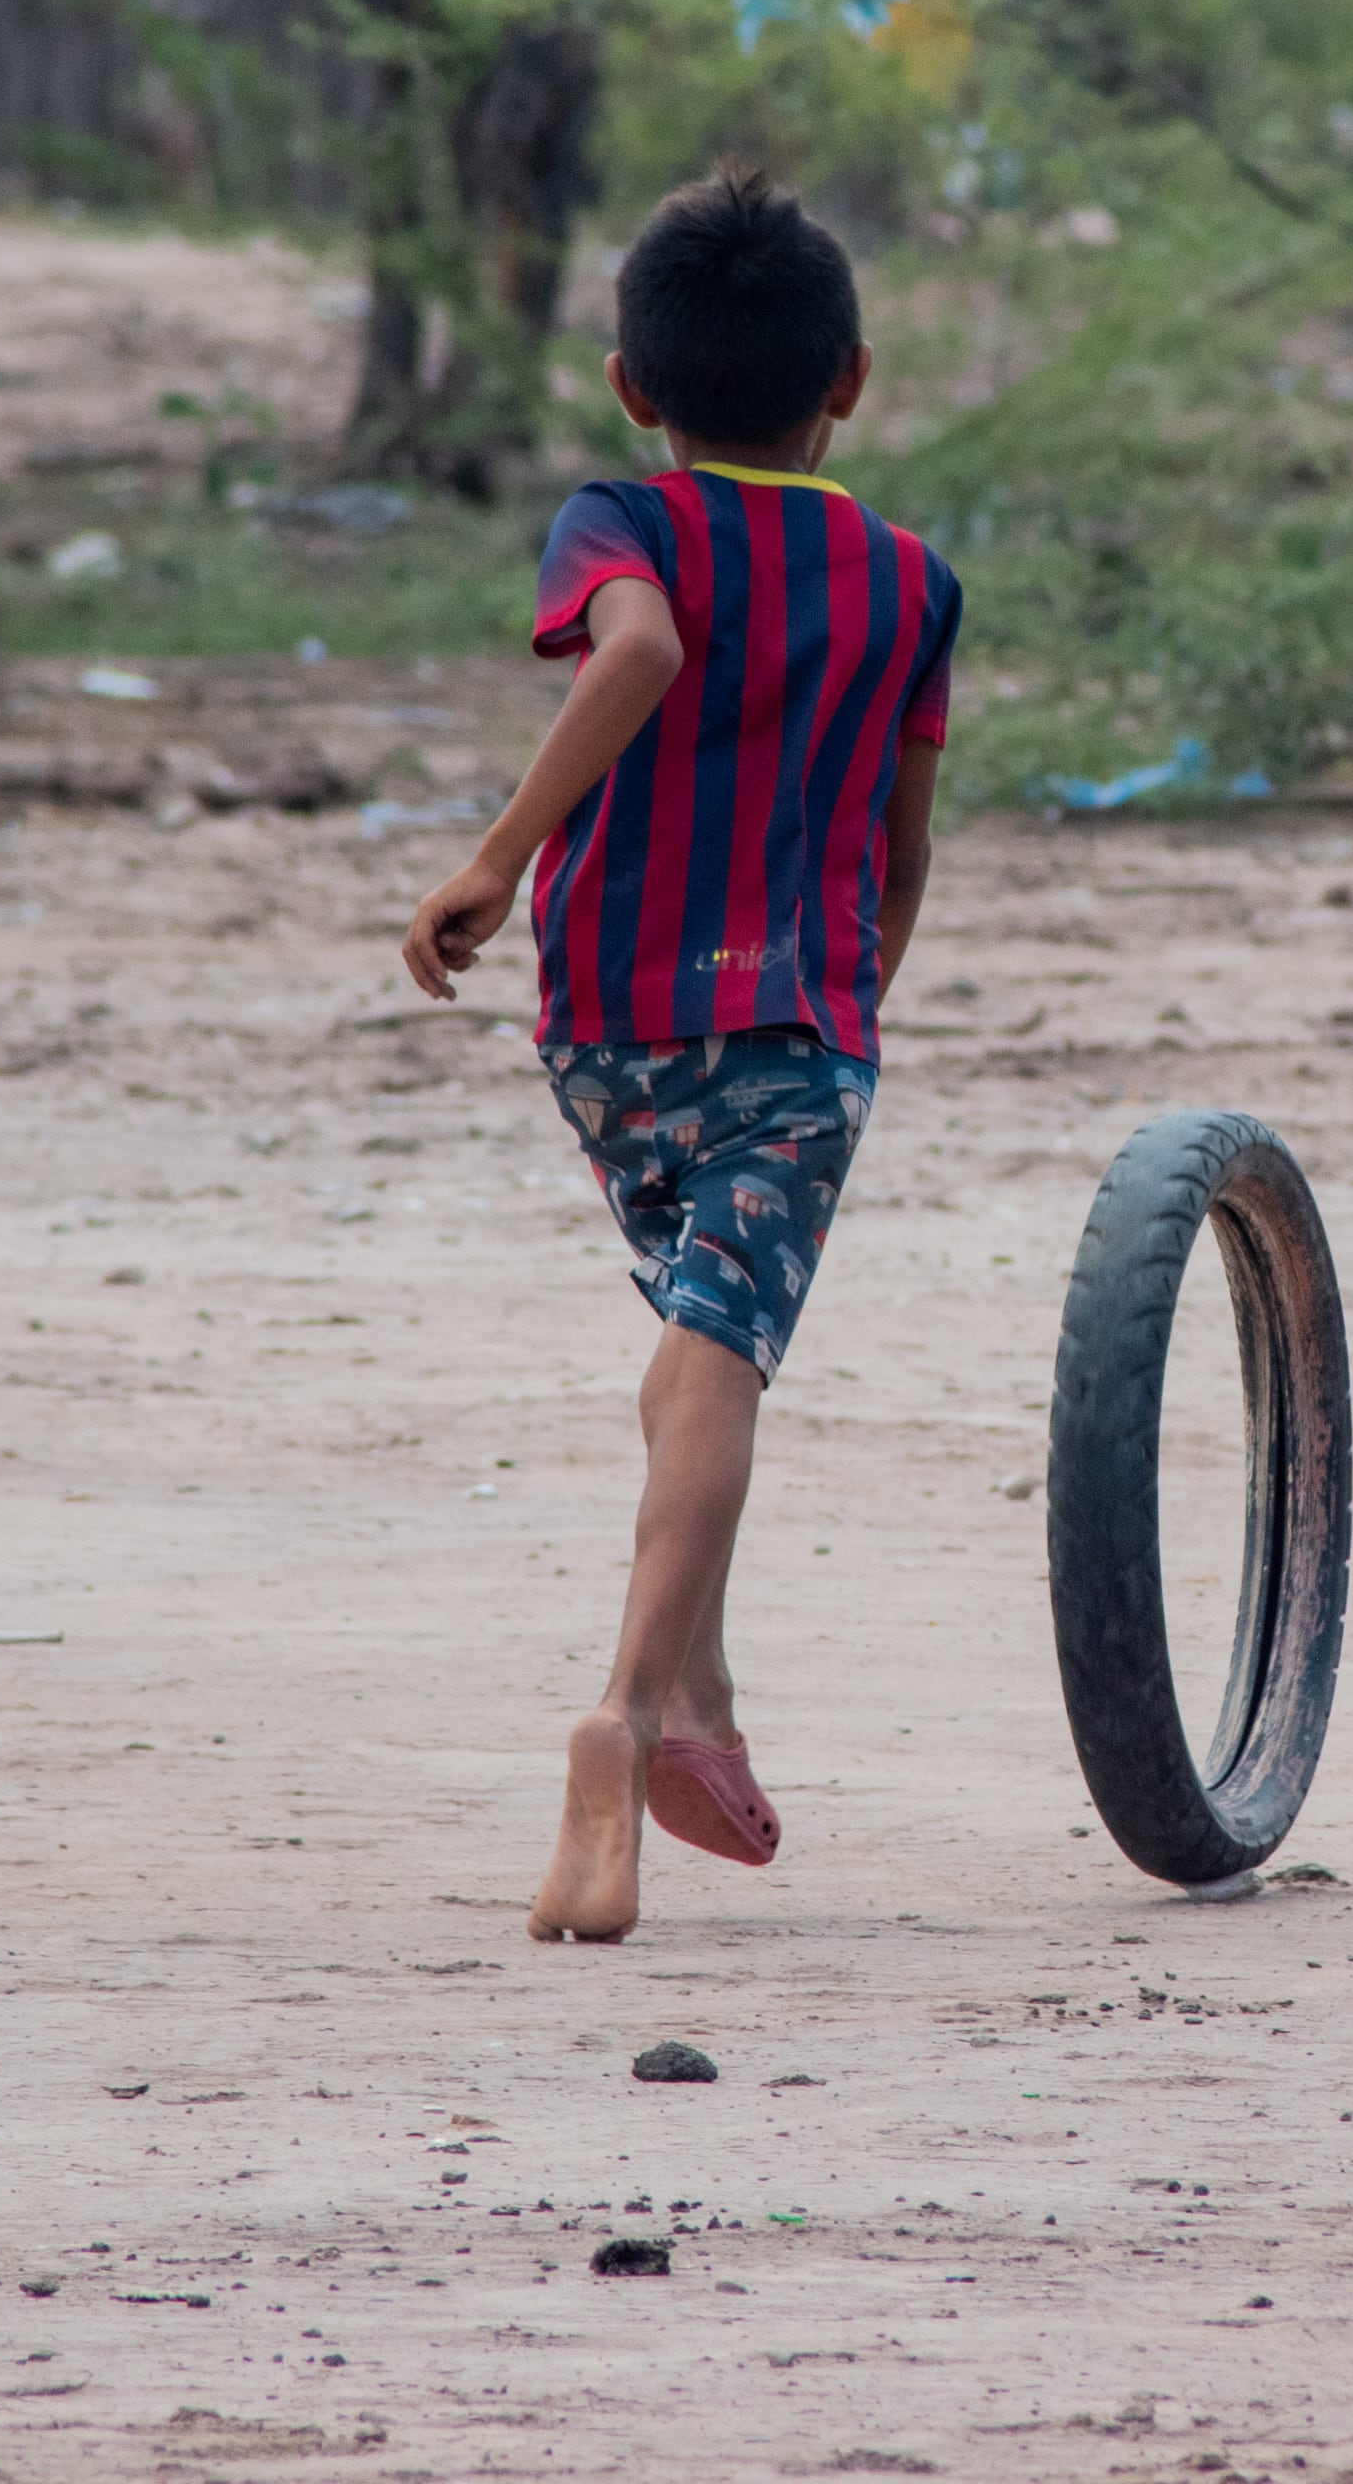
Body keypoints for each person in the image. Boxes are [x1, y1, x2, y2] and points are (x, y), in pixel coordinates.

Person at [400, 164, 960, 1945]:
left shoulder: (613, 516)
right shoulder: (912, 584)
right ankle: (627, 1720)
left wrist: (510, 873)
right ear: (851, 380)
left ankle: (707, 1704)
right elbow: (899, 836)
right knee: (723, 1361)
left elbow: (629, 631)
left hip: (608, 1026)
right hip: (795, 1024)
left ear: (635, 382)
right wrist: (857, 1002)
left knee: (690, 1344)